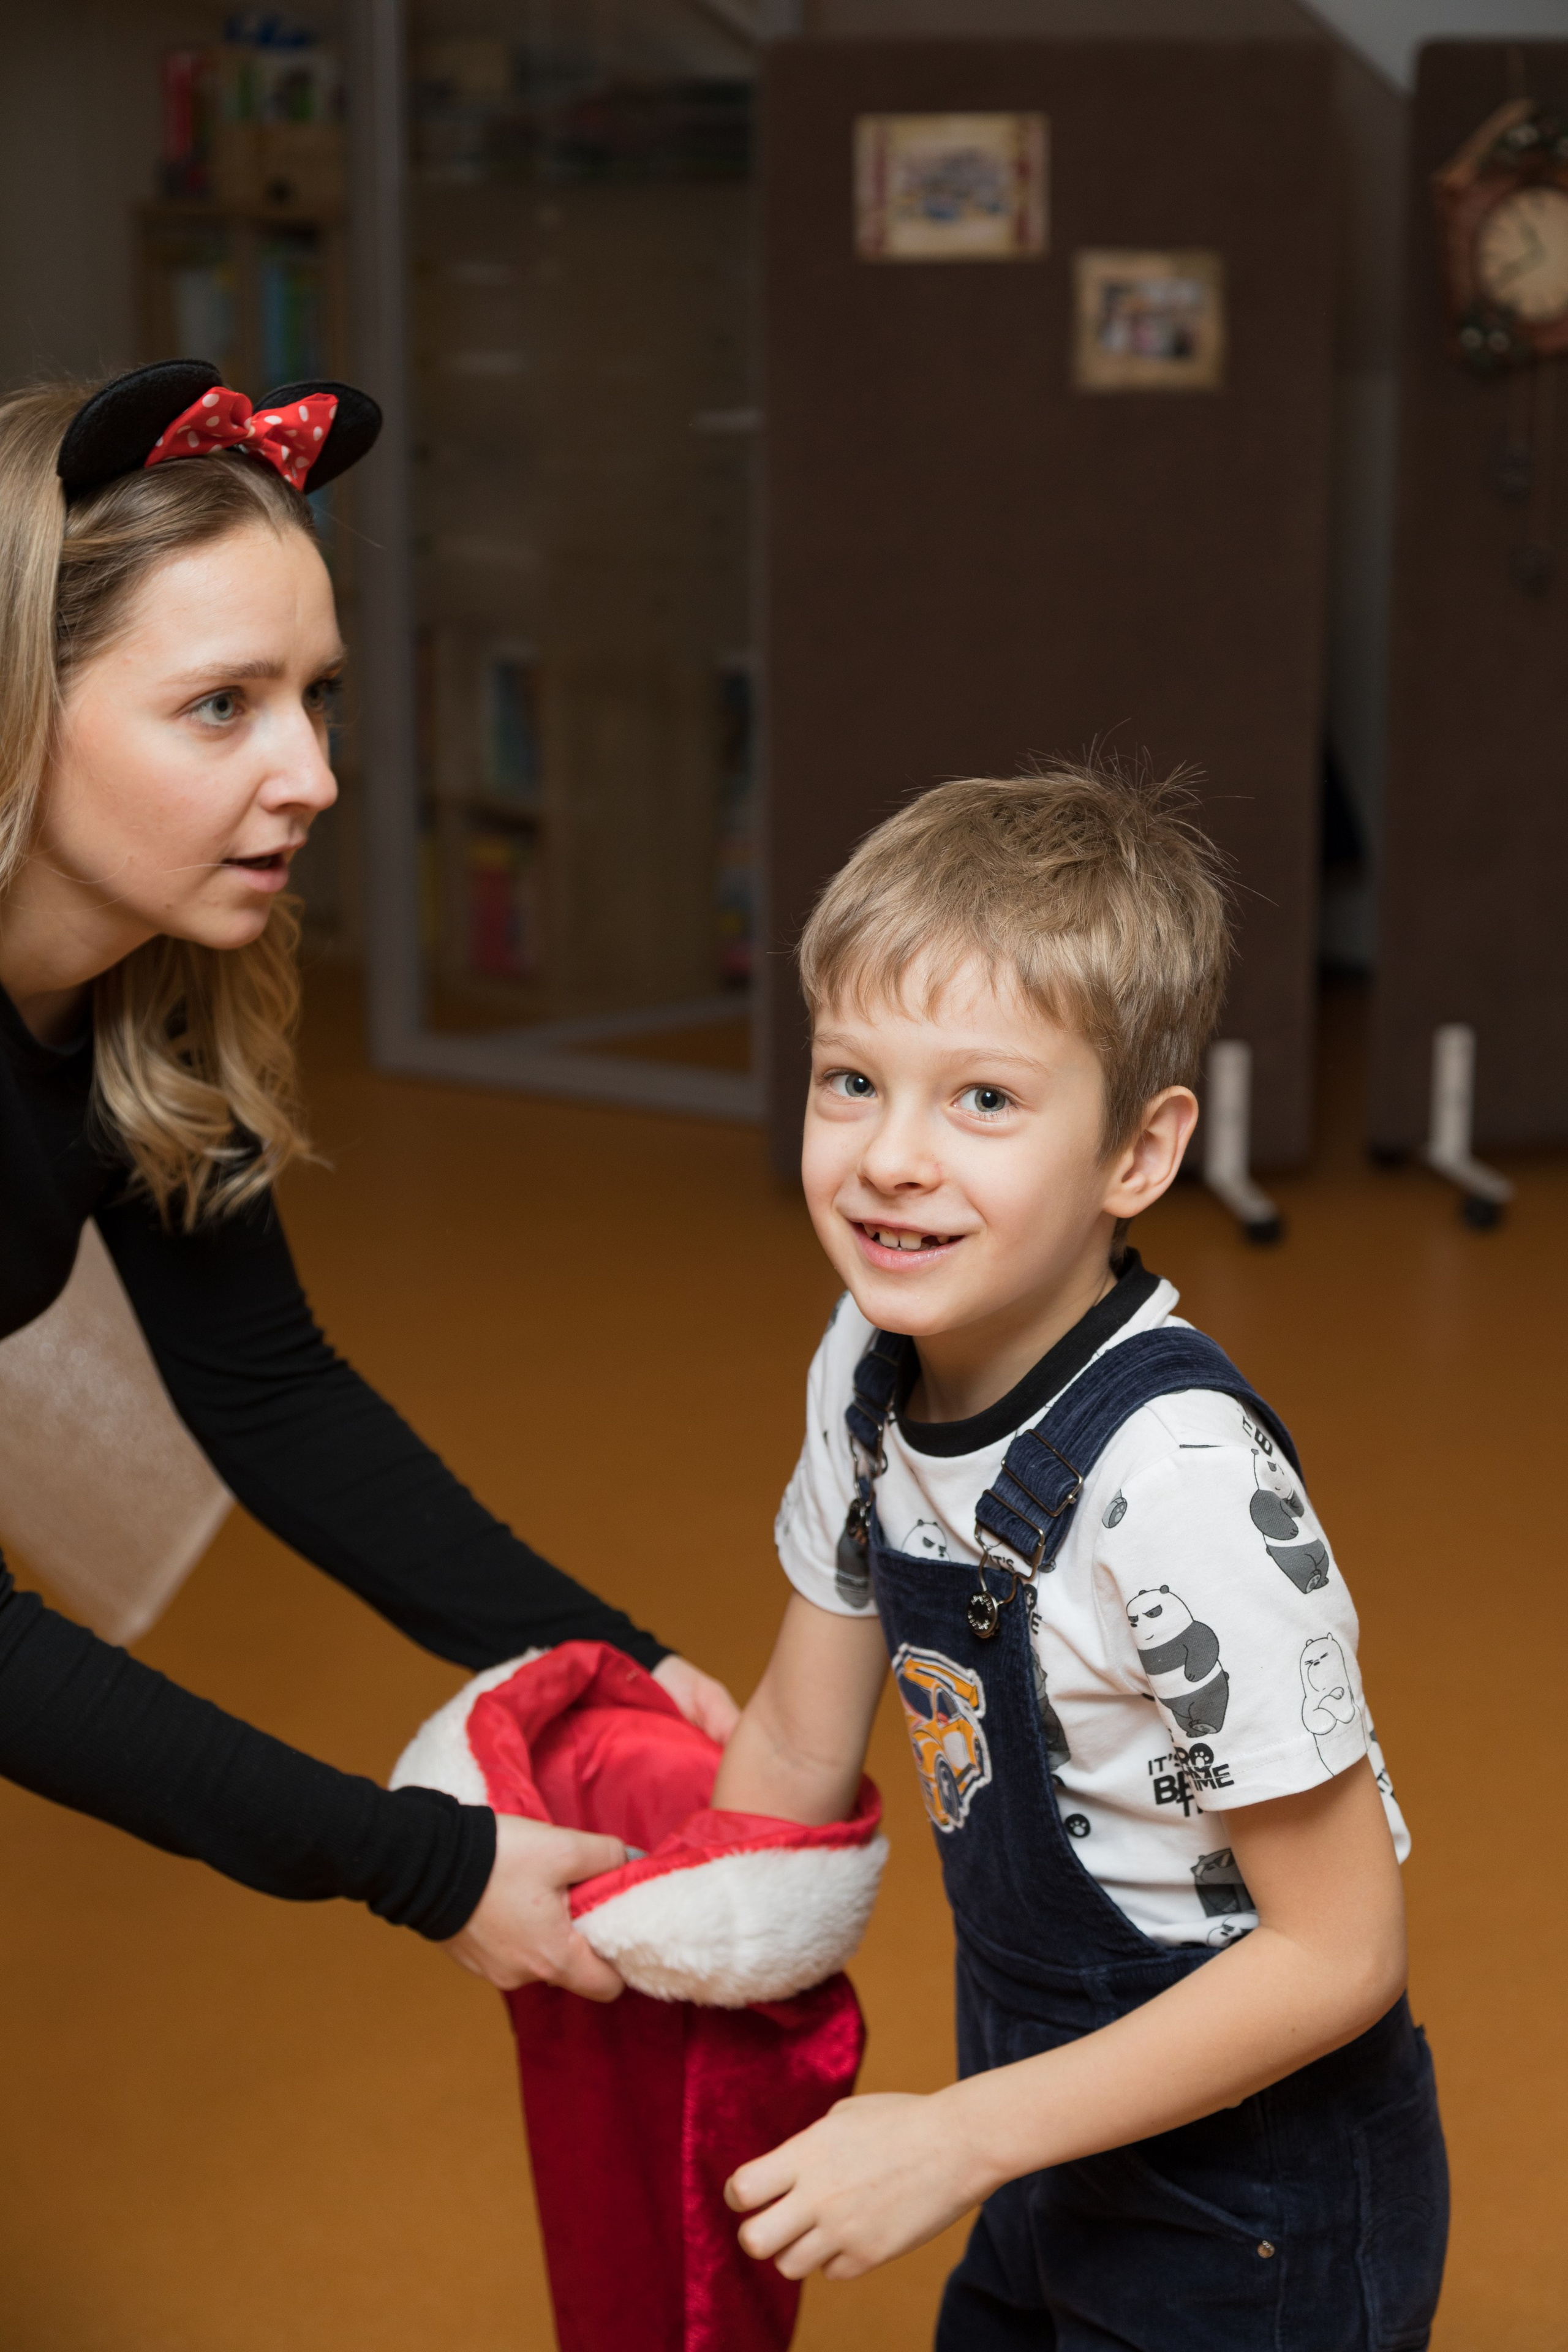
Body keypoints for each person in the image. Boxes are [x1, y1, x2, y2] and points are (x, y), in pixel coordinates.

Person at [0, 360, 736, 2007]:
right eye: (221, 706)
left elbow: (269, 1392)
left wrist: (617, 1664)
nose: (314, 775)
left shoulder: (143, 997)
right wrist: (426, 1863)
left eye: (316, 696)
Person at [714, 768, 1448, 2347]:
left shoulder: (1178, 1481)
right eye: (852, 1080)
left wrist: (957, 2140)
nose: (891, 1157)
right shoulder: (864, 1369)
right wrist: (673, 1947)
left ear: (1138, 1151)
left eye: (983, 1100)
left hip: (1255, 2203)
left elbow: (1341, 1954)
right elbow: (792, 1739)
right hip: (1044, 2121)